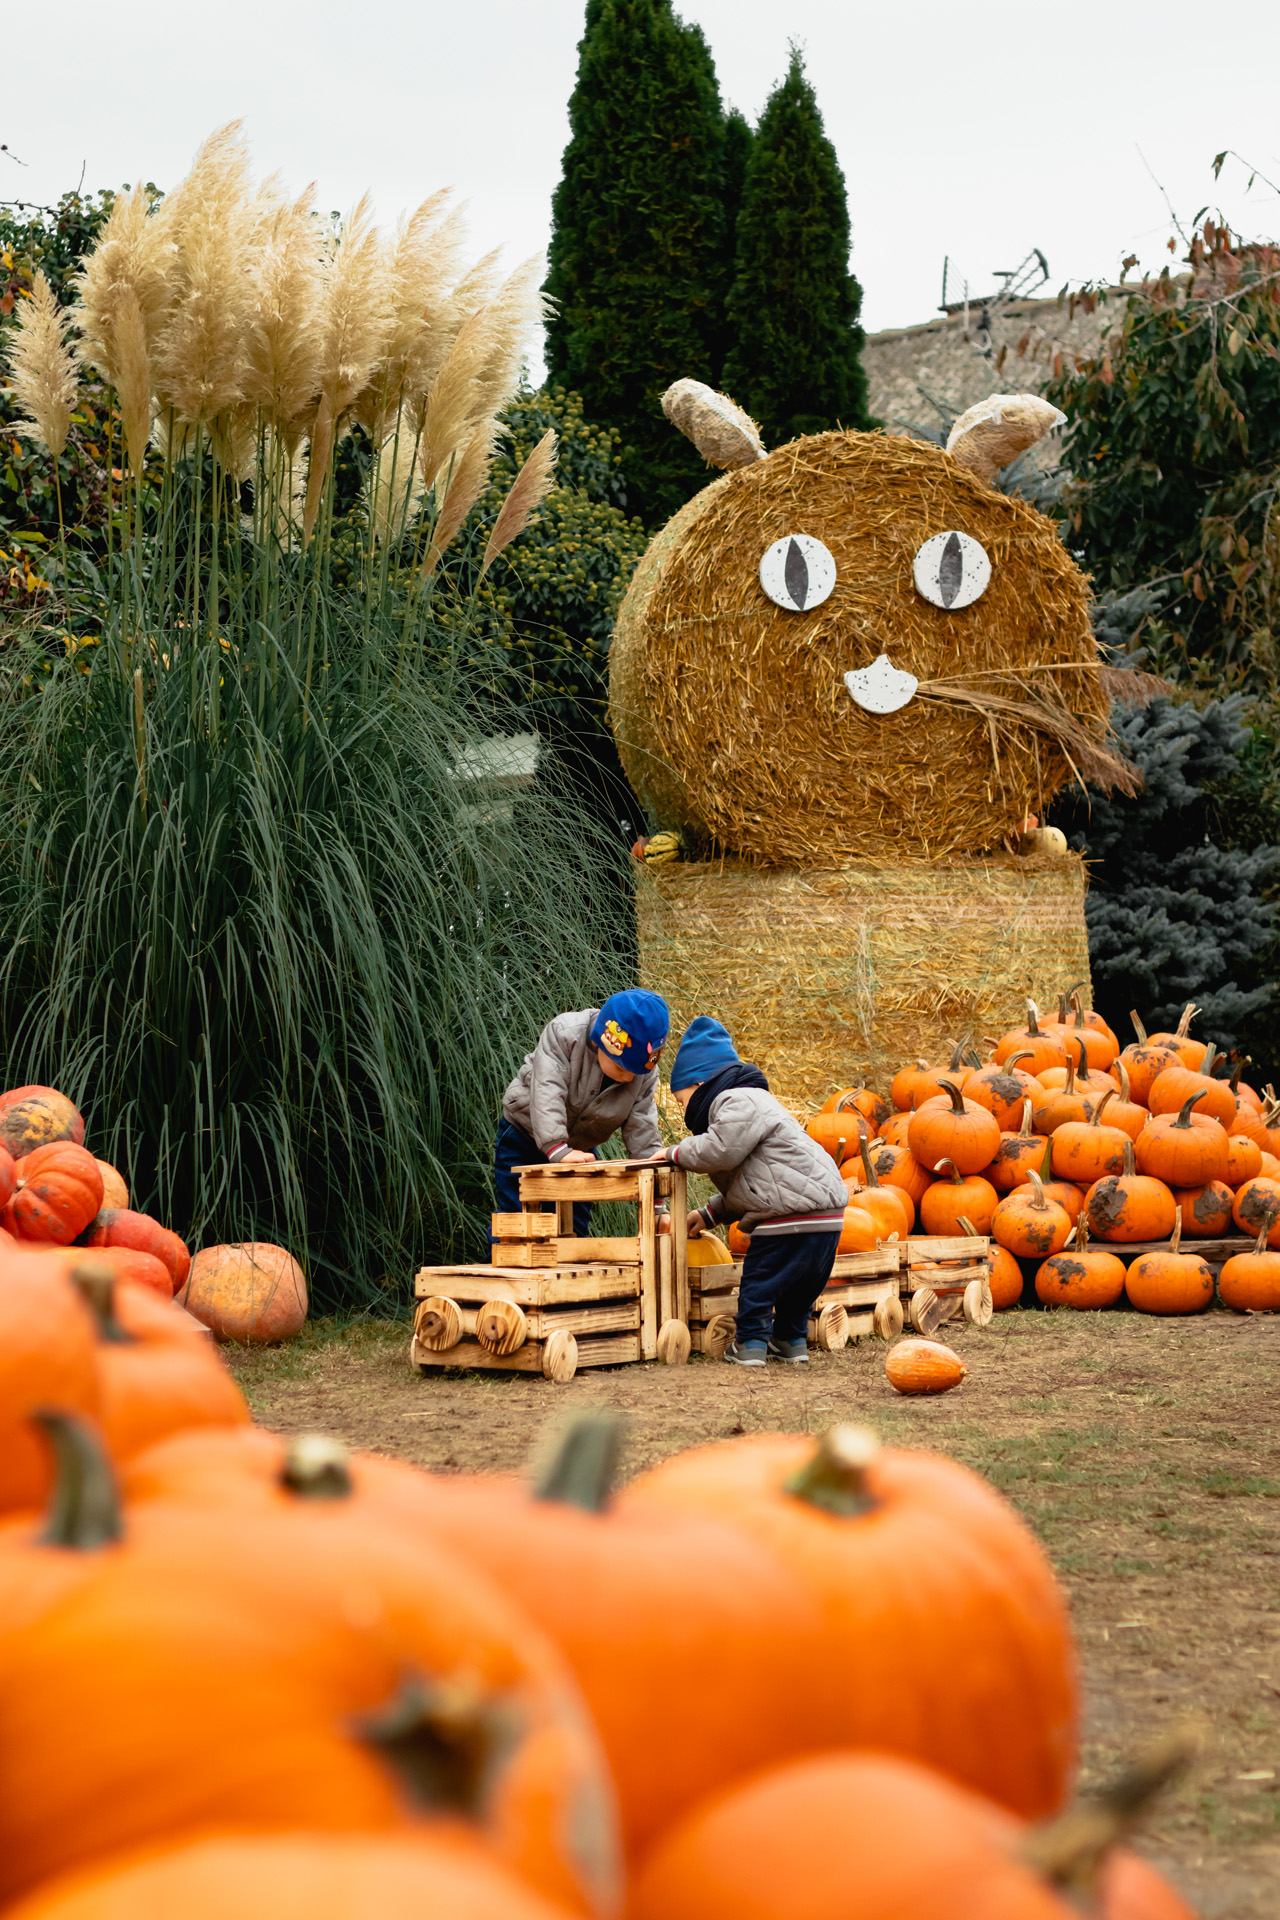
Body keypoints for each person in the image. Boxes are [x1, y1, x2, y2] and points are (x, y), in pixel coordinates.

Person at [652, 1016, 848, 1366]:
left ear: (700, 1084)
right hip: (825, 1217)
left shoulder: (737, 1100)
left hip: (787, 1218)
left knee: (759, 1282)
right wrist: (708, 1214)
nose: (685, 1114)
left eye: (682, 1103)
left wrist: (674, 1152)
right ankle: (791, 1342)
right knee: (797, 1290)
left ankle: (751, 1344)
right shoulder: (756, 1105)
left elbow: (718, 1150)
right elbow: (759, 1185)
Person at [494, 990, 670, 1245]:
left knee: (575, 1228)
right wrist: (557, 1149)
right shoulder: (564, 1034)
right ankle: (503, 1277)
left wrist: (657, 1203)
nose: (629, 1078)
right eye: (622, 1068)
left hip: (580, 1150)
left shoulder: (641, 1074)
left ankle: (572, 1278)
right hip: (524, 1135)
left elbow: (643, 1130)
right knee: (516, 1222)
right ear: (601, 1042)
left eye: (637, 1072)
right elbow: (547, 1091)